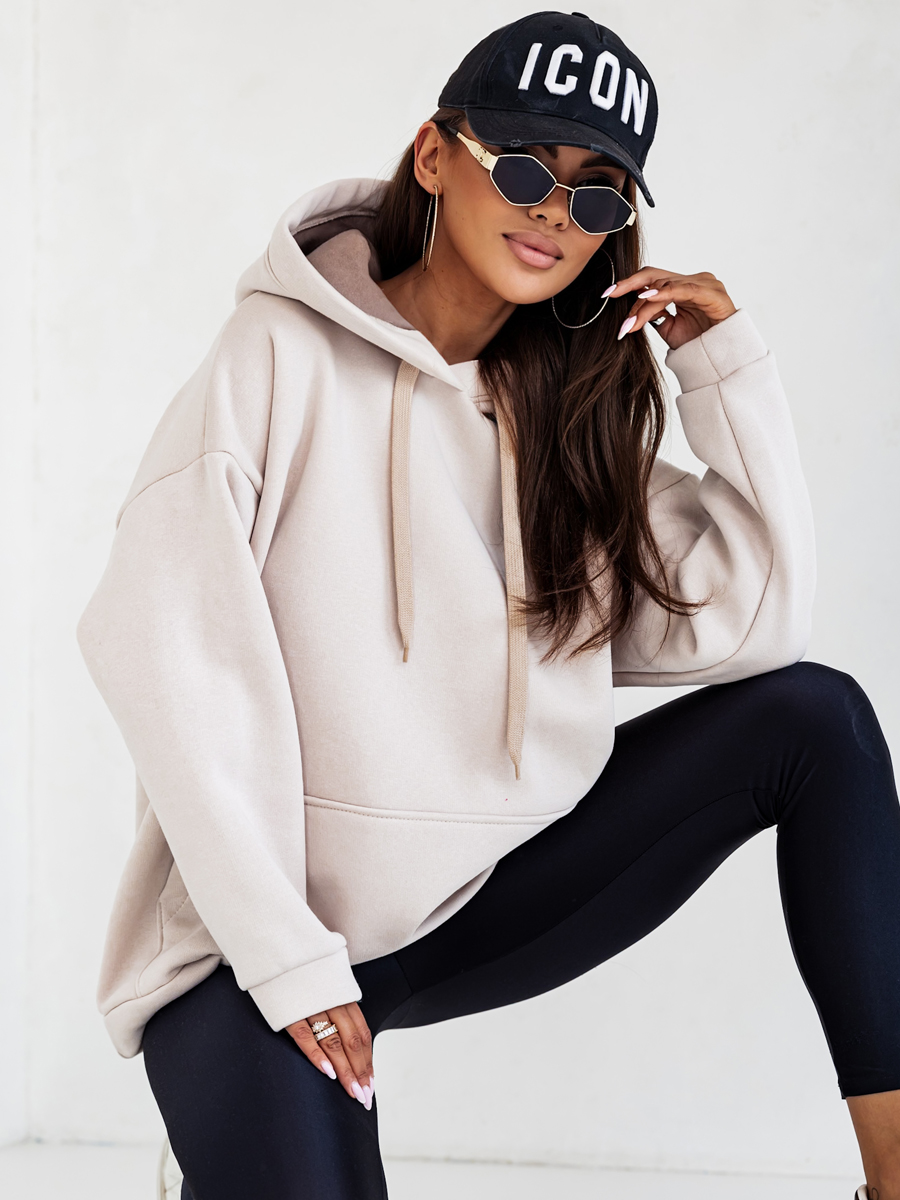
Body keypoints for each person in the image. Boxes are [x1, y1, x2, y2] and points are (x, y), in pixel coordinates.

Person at [78, 12, 900, 1200]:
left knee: (817, 720)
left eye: (595, 194)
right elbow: (165, 663)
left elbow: (760, 622)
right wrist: (288, 960)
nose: (552, 213)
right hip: (247, 948)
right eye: (522, 169)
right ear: (434, 156)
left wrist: (725, 369)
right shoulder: (274, 357)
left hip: (474, 902)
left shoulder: (563, 409)